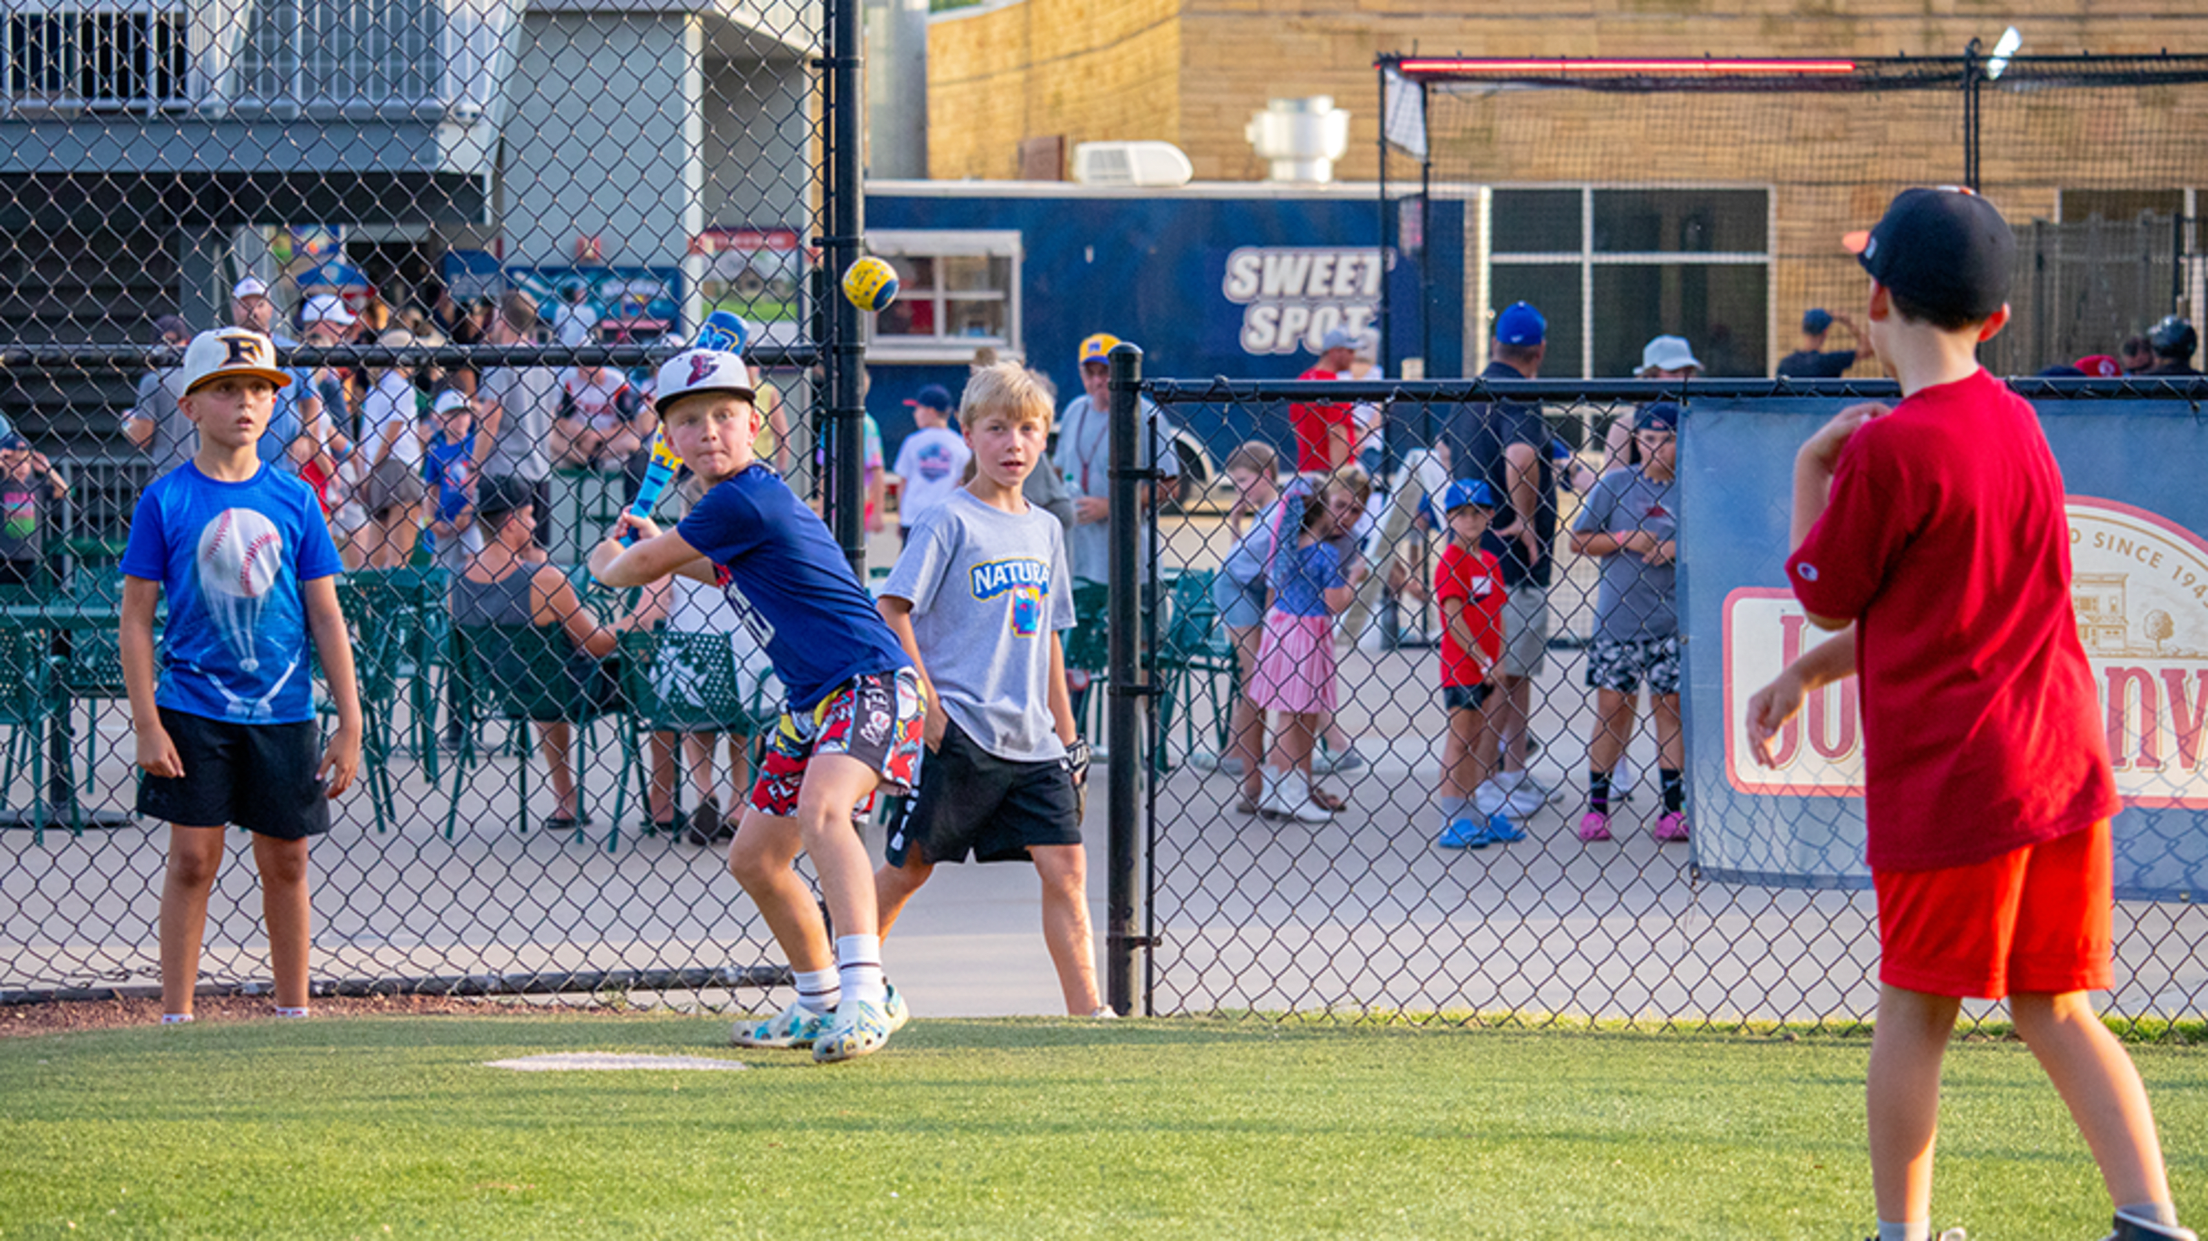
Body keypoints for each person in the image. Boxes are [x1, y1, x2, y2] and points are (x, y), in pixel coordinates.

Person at [1746, 187, 2191, 1241]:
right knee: (2058, 1006)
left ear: (1876, 302)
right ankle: (2153, 1219)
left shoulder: (1891, 448)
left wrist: (1814, 463)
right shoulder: (2019, 421)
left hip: (1958, 783)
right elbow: (1952, 611)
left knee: (1915, 1009)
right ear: (1996, 319)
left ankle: (1903, 1233)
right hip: (2062, 773)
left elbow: (1825, 590)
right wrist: (1809, 674)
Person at [589, 347, 924, 1064]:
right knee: (756, 858)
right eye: (689, 420)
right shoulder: (735, 508)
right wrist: (655, 546)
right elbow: (721, 572)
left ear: (753, 425)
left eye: (724, 414)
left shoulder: (738, 499)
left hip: (868, 682)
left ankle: (868, 993)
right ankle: (819, 999)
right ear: (669, 439)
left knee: (824, 812)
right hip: (811, 700)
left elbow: (632, 571)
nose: (709, 430)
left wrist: (609, 561)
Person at [120, 327, 362, 1024]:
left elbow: (325, 614)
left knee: (287, 861)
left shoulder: (296, 499)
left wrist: (349, 720)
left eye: (258, 389)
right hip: (192, 708)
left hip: (283, 710)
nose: (245, 403)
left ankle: (293, 1014)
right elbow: (136, 619)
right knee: (193, 859)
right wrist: (146, 723)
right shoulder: (165, 500)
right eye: (225, 390)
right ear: (190, 406)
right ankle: (177, 1017)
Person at [871, 363, 1102, 1017]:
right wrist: (930, 710)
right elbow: (892, 609)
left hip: (1034, 741)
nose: (1013, 444)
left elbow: (1049, 634)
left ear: (1045, 438)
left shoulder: (1045, 528)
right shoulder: (948, 519)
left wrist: (1068, 737)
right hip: (961, 732)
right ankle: (841, 984)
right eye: (997, 429)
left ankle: (1089, 1014)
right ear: (968, 435)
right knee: (910, 870)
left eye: (1028, 430)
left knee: (1067, 869)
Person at [453, 478, 661, 829]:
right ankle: (661, 803)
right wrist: (640, 616)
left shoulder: (457, 581)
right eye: (529, 516)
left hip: (503, 691)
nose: (535, 524)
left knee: (541, 672)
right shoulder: (544, 580)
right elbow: (595, 645)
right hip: (575, 692)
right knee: (656, 677)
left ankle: (566, 800)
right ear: (512, 522)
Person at [1445, 301, 1557, 821]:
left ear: (1495, 345)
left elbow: (1446, 454)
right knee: (1506, 673)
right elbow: (1520, 454)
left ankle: (1510, 773)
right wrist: (1525, 518)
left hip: (1476, 557)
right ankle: (1490, 781)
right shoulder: (1521, 394)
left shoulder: (1472, 392)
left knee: (1508, 669)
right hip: (1511, 561)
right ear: (1539, 351)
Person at [1567, 401, 1689, 844]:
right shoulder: (1616, 485)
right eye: (1648, 440)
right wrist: (1624, 539)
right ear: (1636, 440)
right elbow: (1579, 541)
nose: (1656, 449)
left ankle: (1672, 809)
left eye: (1666, 441)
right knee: (1613, 710)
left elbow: (1714, 542)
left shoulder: (1690, 489)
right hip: (1619, 624)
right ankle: (1597, 807)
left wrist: (1678, 548)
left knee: (1670, 709)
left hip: (1671, 625)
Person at [1247, 471, 1361, 824]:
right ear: (1323, 511)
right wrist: (1356, 578)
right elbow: (1335, 602)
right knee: (1297, 717)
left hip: (1281, 629)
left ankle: (1275, 789)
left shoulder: (1283, 548)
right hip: (1308, 635)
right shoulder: (1324, 554)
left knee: (1287, 714)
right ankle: (1293, 793)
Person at [1053, 332, 1179, 588]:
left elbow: (1170, 486)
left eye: (1105, 372)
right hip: (1079, 560)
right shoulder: (1075, 411)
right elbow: (1059, 468)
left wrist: (1111, 505)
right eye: (1090, 373)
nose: (1098, 380)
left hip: (1130, 562)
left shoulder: (1146, 415)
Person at [1432, 478, 1518, 850]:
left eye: (1478, 512)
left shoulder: (1490, 562)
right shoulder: (1451, 562)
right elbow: (1454, 620)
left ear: (1490, 515)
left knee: (1478, 740)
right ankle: (1452, 817)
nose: (1470, 519)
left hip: (1486, 668)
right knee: (1460, 740)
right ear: (1450, 518)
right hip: (1463, 668)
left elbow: (1495, 615)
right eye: (1462, 513)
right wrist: (1482, 660)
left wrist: (1496, 660)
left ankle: (1472, 811)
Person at [1211, 441, 1284, 806]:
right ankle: (1245, 766)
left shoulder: (1277, 513)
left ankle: (1239, 753)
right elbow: (1238, 564)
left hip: (1250, 588)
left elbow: (1267, 567)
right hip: (1235, 591)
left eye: (1242, 480)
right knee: (1256, 678)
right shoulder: (1267, 513)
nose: (1238, 489)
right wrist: (1236, 524)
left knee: (1259, 680)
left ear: (1265, 475)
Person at [476, 292, 559, 555]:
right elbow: (551, 417)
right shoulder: (544, 362)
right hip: (540, 469)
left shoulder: (500, 359)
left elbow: (491, 419)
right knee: (536, 551)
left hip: (506, 471)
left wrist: (473, 468)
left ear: (502, 320)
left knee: (501, 551)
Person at [356, 329, 431, 569]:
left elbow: (363, 441)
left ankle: (367, 593)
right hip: (400, 468)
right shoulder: (403, 389)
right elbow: (392, 434)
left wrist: (367, 475)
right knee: (400, 556)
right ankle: (394, 594)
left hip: (377, 472)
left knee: (374, 555)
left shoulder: (374, 390)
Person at [890, 383, 970, 540]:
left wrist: (901, 515)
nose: (915, 414)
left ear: (931, 411)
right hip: (945, 518)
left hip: (913, 517)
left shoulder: (913, 442)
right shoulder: (960, 444)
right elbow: (960, 483)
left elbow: (903, 482)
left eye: (918, 409)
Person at [421, 388, 484, 574]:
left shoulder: (476, 445)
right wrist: (429, 519)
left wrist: (468, 510)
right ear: (440, 419)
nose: (460, 419)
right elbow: (432, 489)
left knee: (475, 560)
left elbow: (483, 482)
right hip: (446, 519)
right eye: (452, 414)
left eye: (464, 413)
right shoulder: (436, 451)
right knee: (443, 569)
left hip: (473, 517)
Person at [126, 315, 194, 473]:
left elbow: (142, 437)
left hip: (167, 470)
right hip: (206, 469)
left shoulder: (153, 381)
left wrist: (127, 422)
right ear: (187, 342)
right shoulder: (201, 377)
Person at [554, 361, 650, 469]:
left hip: (609, 440)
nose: (579, 369)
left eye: (585, 364)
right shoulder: (572, 383)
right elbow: (561, 419)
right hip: (580, 440)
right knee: (550, 436)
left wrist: (600, 435)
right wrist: (578, 431)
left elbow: (630, 424)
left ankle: (595, 459)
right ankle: (583, 459)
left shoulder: (617, 382)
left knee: (633, 440)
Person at [0, 433, 66, 590]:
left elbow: (63, 491)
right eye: (16, 461)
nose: (22, 467)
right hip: (3, 557)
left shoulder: (36, 486)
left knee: (33, 597)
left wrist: (47, 469)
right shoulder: (2, 486)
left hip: (31, 557)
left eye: (26, 462)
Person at [1289, 327, 1358, 473]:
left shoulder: (1302, 381)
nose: (1353, 356)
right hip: (1328, 471)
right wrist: (1341, 476)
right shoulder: (1333, 385)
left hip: (1306, 471)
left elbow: (1295, 428)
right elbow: (1337, 433)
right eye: (1350, 351)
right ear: (1335, 352)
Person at [1778, 307, 1877, 378]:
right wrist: (1848, 323)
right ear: (1825, 333)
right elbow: (1868, 349)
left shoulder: (1786, 364)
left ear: (1804, 331)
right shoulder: (1830, 362)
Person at [553, 284, 600, 350]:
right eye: (580, 292)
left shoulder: (589, 311)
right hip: (564, 346)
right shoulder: (562, 309)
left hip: (582, 347)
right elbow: (559, 330)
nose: (584, 295)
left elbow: (590, 332)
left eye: (584, 292)